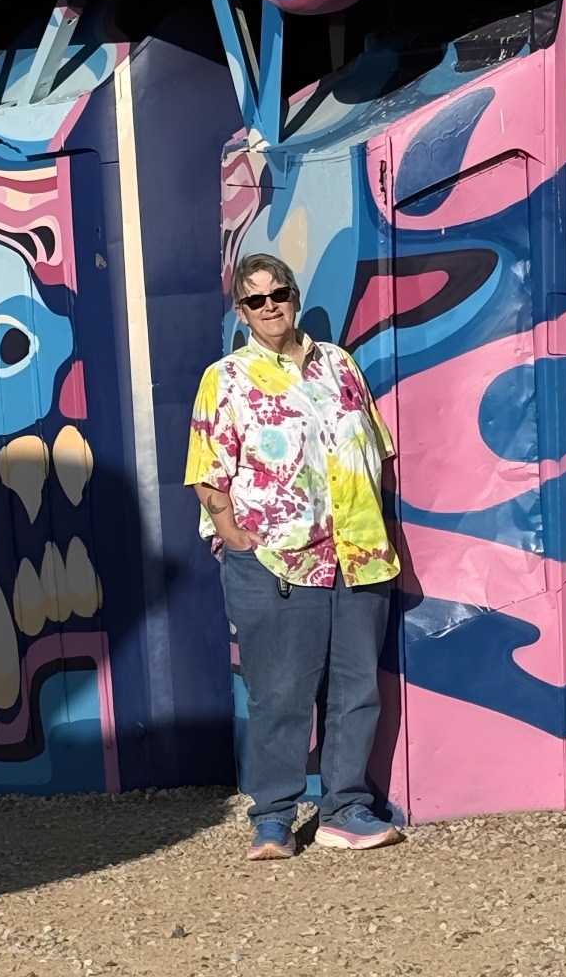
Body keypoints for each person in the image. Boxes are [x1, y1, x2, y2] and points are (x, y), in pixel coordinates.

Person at [185, 252, 401, 860]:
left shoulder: (339, 364)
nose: (270, 305)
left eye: (279, 292)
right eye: (255, 299)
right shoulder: (225, 378)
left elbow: (378, 448)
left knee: (357, 690)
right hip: (276, 560)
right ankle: (274, 816)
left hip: (357, 552)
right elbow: (207, 469)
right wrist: (234, 534)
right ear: (241, 310)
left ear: (294, 295)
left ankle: (344, 807)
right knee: (280, 693)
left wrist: (379, 524)